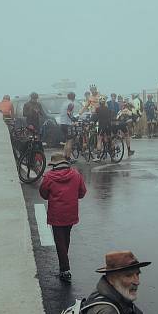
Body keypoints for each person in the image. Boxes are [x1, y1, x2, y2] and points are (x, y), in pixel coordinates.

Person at [38, 153, 87, 282]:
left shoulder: (49, 177)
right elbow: (82, 192)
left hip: (56, 214)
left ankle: (65, 269)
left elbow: (43, 193)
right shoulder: (76, 175)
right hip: (71, 213)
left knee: (60, 241)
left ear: (54, 166)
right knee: (65, 238)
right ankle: (64, 263)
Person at [91, 98, 113, 162]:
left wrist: (92, 122)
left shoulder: (98, 109)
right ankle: (111, 151)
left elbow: (95, 117)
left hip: (102, 126)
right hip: (109, 125)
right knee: (108, 138)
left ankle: (98, 157)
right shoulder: (108, 109)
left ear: (99, 103)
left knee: (99, 139)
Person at [59, 92, 78, 161]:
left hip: (62, 124)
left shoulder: (64, 103)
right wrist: (73, 120)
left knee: (67, 141)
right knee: (70, 141)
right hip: (67, 124)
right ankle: (68, 157)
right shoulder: (71, 104)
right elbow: (68, 113)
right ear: (74, 97)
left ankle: (64, 155)